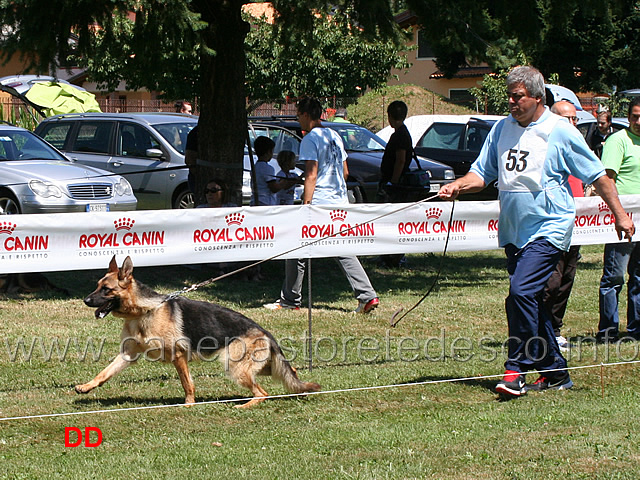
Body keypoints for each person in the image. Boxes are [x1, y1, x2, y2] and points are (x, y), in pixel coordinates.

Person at [438, 66, 634, 397]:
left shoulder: (559, 131)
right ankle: (557, 373)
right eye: (509, 97)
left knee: (520, 294)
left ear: (537, 97)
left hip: (550, 227)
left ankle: (516, 369)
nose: (512, 103)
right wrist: (458, 185)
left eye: (518, 97)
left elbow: (598, 176)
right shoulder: (501, 129)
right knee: (531, 303)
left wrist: (620, 215)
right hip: (515, 231)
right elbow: (481, 175)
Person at [264, 97, 379, 313]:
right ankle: (367, 295)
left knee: (297, 246)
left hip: (320, 202)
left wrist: (306, 204)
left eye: (298, 115)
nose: (298, 120)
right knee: (337, 248)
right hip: (339, 200)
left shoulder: (310, 138)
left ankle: (290, 301)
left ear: (307, 115)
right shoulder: (334, 135)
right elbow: (345, 173)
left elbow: (311, 173)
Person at [597, 97, 640, 343]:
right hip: (622, 219)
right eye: (634, 116)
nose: (638, 121)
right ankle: (608, 331)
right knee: (614, 276)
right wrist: (619, 214)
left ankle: (636, 328)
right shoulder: (618, 141)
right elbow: (607, 180)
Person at [542, 101, 583, 352]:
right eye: (566, 118)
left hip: (577, 225)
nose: (571, 124)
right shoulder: (548, 146)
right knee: (551, 281)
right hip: (551, 225)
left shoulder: (578, 147)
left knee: (567, 279)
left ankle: (555, 330)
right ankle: (542, 331)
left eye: (574, 119)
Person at [377, 100, 413, 268]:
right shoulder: (402, 133)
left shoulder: (400, 136)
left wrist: (393, 182)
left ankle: (394, 256)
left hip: (395, 186)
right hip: (394, 182)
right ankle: (388, 255)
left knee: (392, 219)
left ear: (390, 116)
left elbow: (400, 160)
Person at [252, 136, 297, 206]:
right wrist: (283, 182)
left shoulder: (255, 167)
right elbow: (274, 188)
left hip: (255, 201)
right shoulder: (268, 168)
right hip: (266, 202)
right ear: (268, 152)